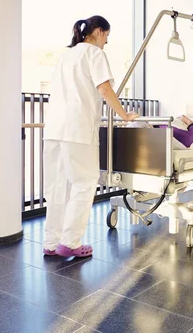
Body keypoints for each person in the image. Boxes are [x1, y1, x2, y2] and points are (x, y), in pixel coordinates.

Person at [42, 15, 138, 258]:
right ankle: (70, 242)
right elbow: (104, 89)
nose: (106, 42)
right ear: (98, 31)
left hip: (53, 129)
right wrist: (124, 115)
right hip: (77, 129)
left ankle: (51, 243)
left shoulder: (65, 56)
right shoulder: (94, 54)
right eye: (106, 36)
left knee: (57, 187)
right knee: (84, 183)